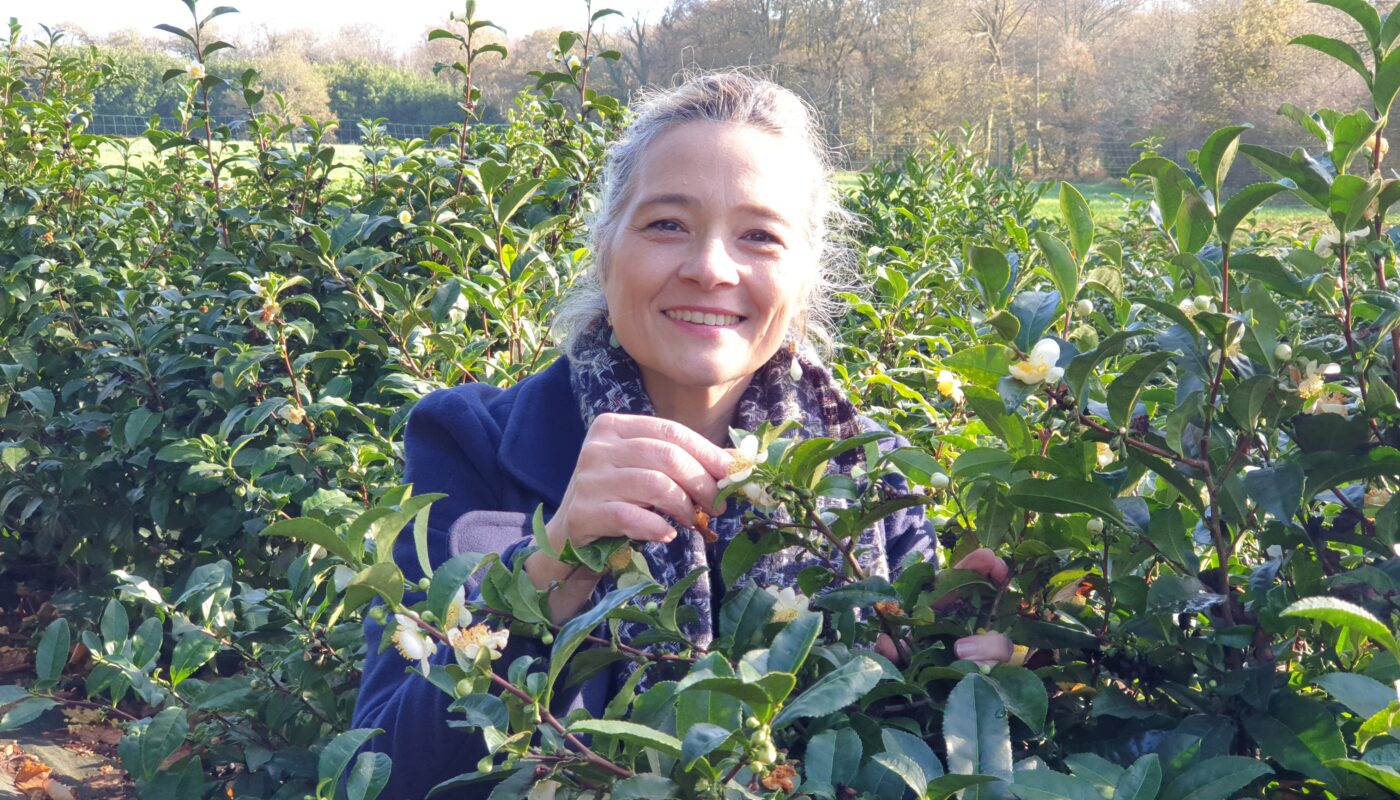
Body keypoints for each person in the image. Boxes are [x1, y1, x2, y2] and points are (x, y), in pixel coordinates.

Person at [351, 71, 1013, 800]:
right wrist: (547, 568)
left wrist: (962, 682)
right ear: (605, 249)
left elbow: (906, 744)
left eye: (760, 235)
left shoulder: (869, 471)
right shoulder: (470, 444)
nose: (709, 268)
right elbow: (379, 777)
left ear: (803, 277)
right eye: (667, 224)